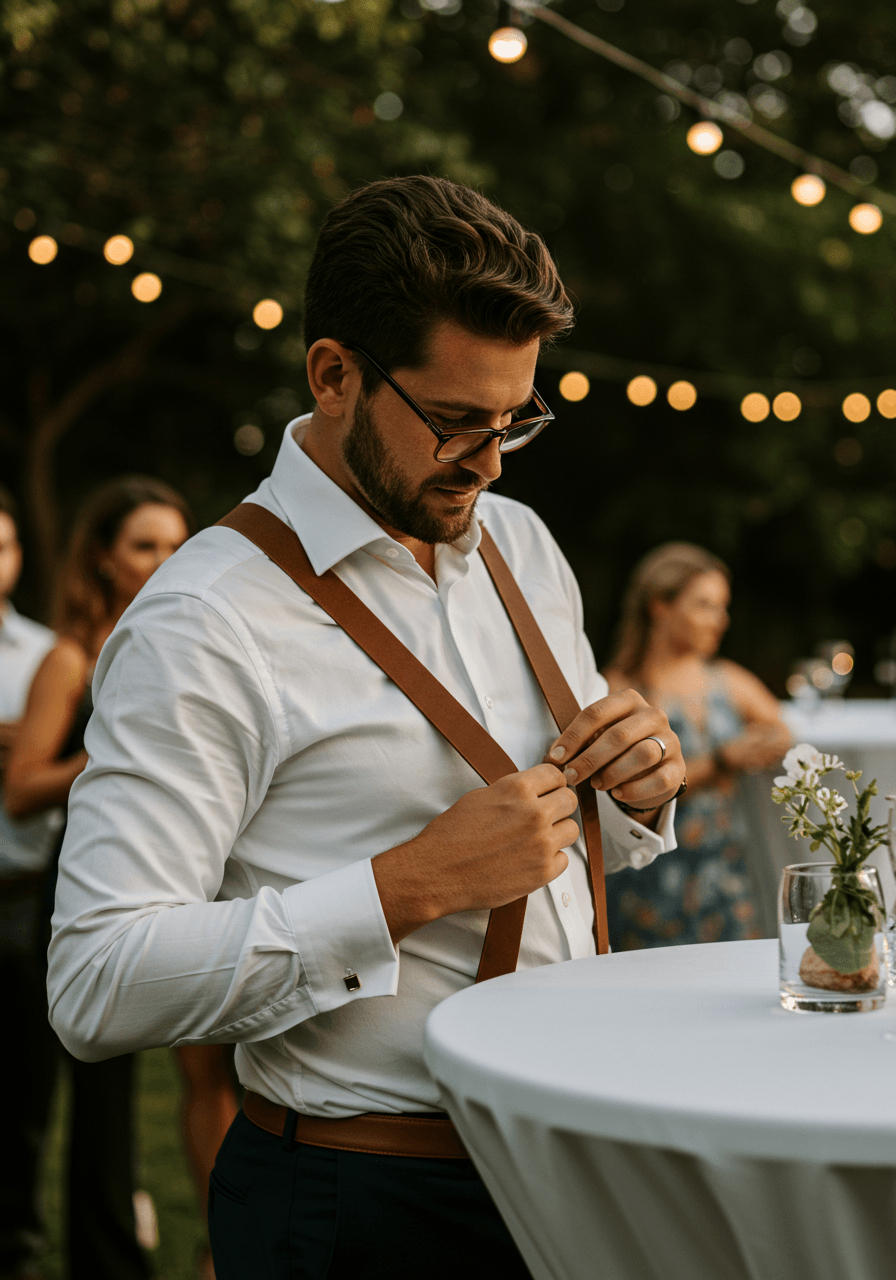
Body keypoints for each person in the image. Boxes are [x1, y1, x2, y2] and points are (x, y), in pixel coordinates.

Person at [47, 176, 687, 1280]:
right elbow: (97, 979)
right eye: (454, 422)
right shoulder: (206, 619)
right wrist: (406, 886)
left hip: (565, 1173)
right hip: (362, 1202)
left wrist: (633, 791)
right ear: (333, 374)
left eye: (514, 421)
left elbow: (561, 845)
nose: (487, 462)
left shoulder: (520, 544)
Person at [5, 476, 233, 1280]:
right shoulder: (71, 658)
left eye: (177, 543)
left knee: (162, 1095)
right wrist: (113, 762)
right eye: (145, 545)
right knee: (44, 1099)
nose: (165, 559)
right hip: (78, 889)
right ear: (104, 560)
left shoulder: (195, 644)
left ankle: (176, 1250)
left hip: (180, 882)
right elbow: (23, 784)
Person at [602, 542, 791, 950]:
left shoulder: (725, 679)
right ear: (659, 606)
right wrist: (724, 760)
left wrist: (765, 739)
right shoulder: (619, 691)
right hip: (650, 882)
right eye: (704, 605)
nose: (720, 620)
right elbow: (631, 794)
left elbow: (781, 729)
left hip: (724, 874)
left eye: (722, 607)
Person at [0, 484, 61, 1280]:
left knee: (19, 1094)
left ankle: (14, 1246)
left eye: (5, 546)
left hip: (22, 893)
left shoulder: (47, 654)